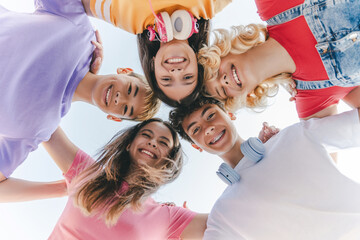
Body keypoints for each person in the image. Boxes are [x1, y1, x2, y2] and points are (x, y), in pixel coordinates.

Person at [0, 0, 160, 182]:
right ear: (124, 72)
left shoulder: (41, 127)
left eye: (125, 109)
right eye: (130, 89)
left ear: (114, 117)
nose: (120, 98)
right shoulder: (81, 35)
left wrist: (64, 188)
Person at [169, 96, 360, 239]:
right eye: (196, 130)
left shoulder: (293, 136)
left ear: (229, 114)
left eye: (211, 115)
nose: (208, 128)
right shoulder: (222, 214)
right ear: (196, 146)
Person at [0, 119, 208, 239]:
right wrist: (68, 187)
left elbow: (231, 220)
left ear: (169, 160)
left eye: (163, 142)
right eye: (146, 134)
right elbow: (41, 119)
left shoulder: (170, 217)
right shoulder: (88, 173)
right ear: (130, 143)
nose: (153, 142)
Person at [198, 0, 360, 120]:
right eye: (222, 91)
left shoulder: (272, 4)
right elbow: (324, 161)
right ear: (244, 96)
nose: (223, 80)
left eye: (216, 71)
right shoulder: (312, 101)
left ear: (222, 52)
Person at [80, 0, 232, 106]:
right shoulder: (209, 5)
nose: (176, 71)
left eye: (166, 79)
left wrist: (83, 69)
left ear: (153, 66)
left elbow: (74, 4)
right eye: (187, 77)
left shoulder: (127, 20)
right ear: (198, 61)